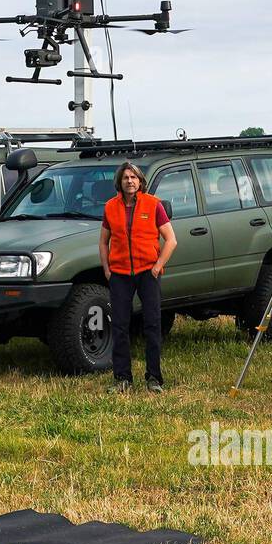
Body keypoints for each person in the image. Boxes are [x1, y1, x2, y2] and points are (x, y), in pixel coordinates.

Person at [99, 161, 178, 392]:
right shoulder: (110, 207)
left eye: (134, 177)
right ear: (120, 182)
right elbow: (103, 241)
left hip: (148, 273)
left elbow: (171, 240)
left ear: (140, 181)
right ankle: (122, 378)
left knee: (152, 325)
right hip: (120, 275)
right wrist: (106, 268)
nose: (130, 181)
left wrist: (157, 267)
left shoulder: (154, 205)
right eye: (126, 178)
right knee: (120, 326)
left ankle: (154, 378)